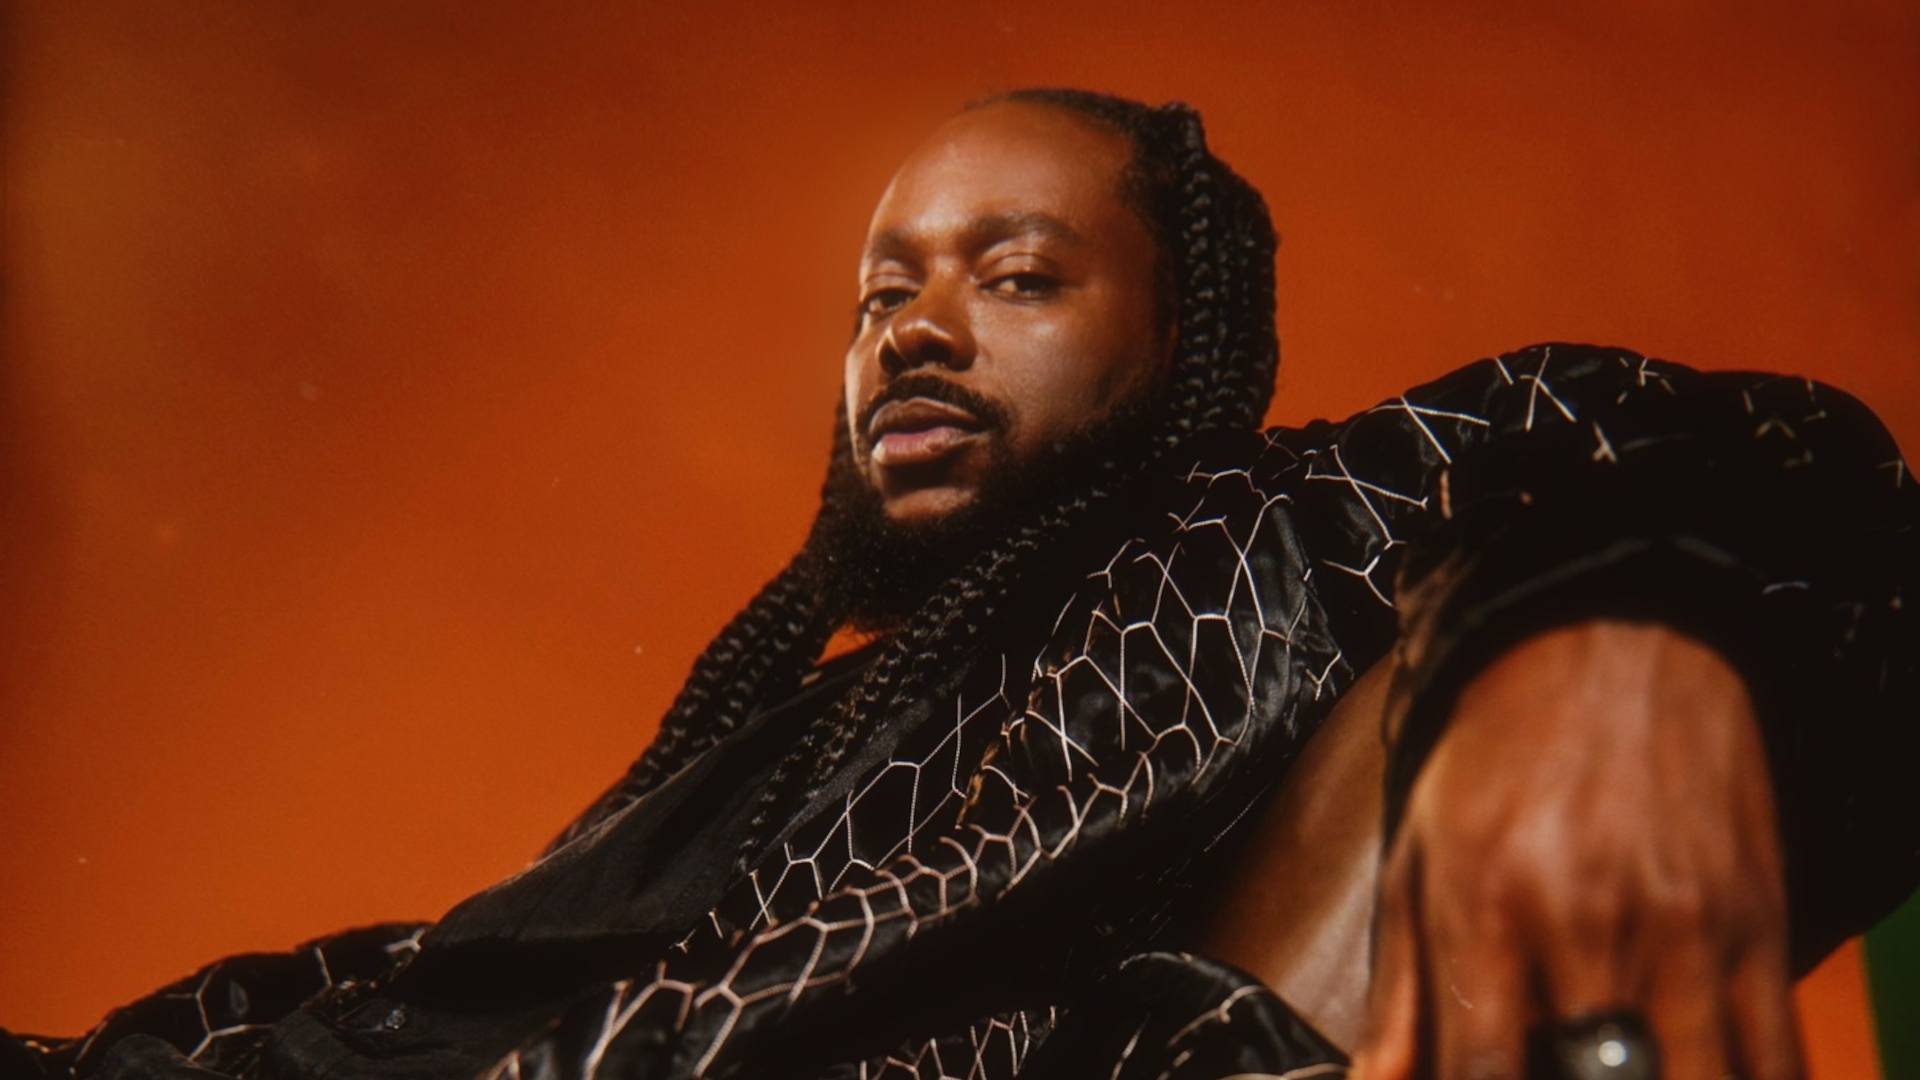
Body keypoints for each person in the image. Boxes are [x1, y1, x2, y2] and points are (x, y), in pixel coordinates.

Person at [5, 88, 1915, 1080]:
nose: (913, 333)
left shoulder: (1272, 526)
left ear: (1183, 343)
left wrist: (1600, 634)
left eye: (1016, 276)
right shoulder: (785, 734)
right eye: (880, 294)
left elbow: (1779, 461)